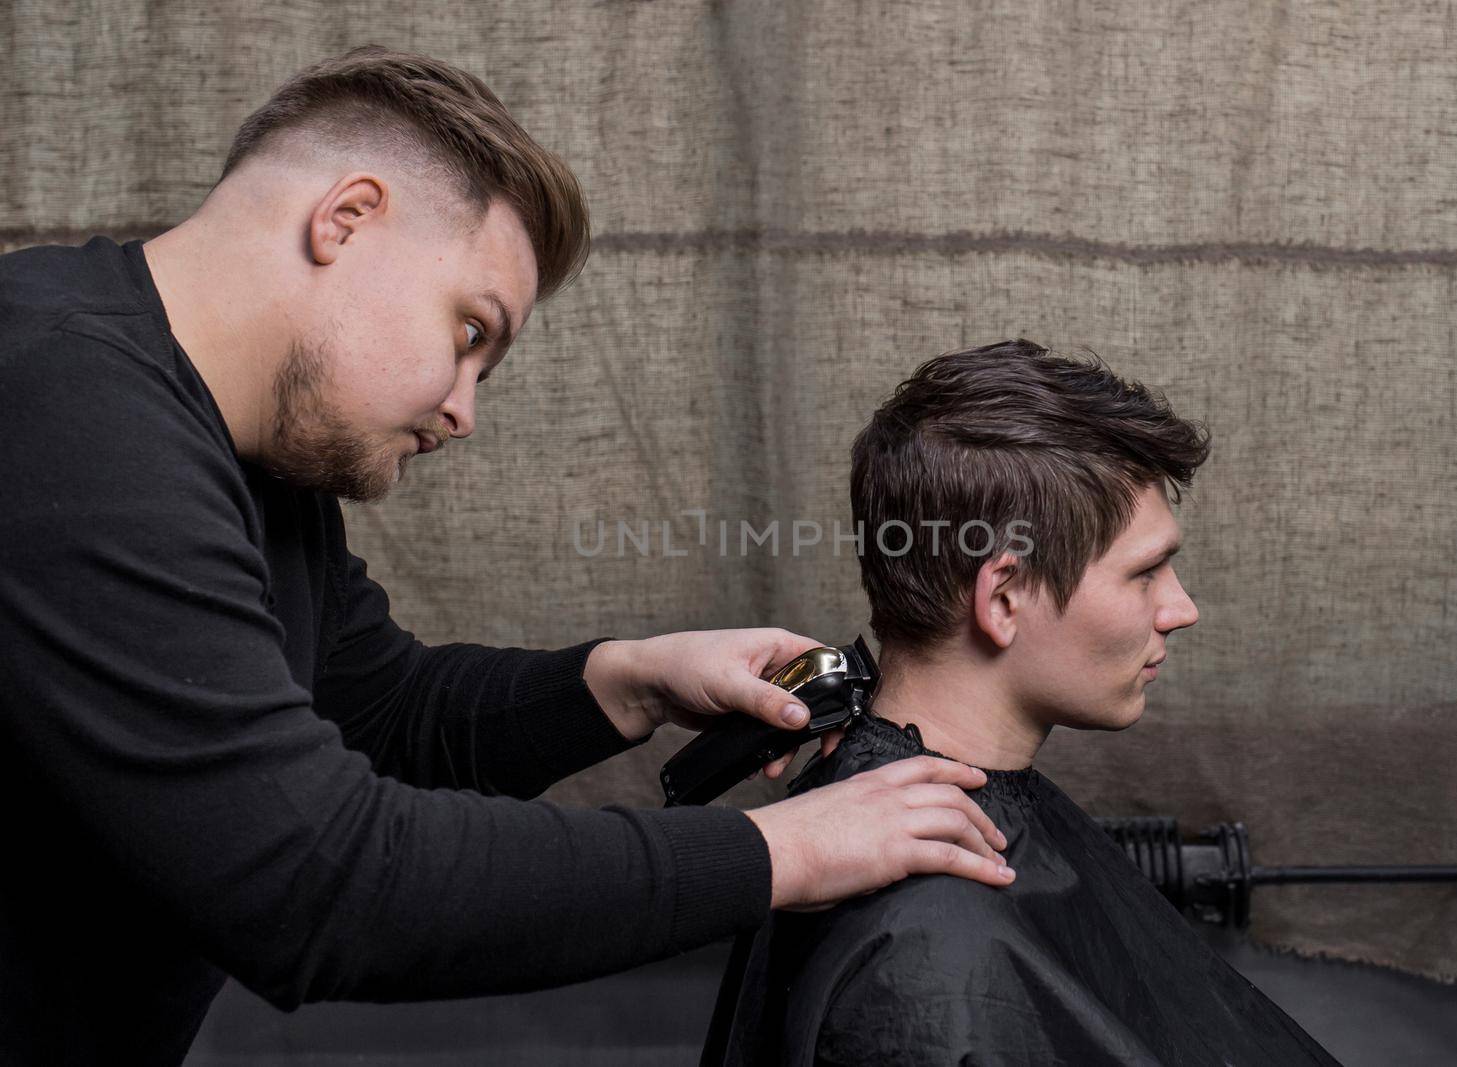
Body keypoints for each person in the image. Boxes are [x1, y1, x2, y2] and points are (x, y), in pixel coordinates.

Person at [0, 47, 1015, 1065]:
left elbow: (379, 713)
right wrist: (784, 851)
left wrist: (628, 680)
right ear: (345, 218)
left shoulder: (252, 455)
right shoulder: (60, 401)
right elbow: (318, 878)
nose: (462, 410)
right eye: (469, 331)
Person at [706, 340, 1339, 1066]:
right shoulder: (929, 954)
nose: (1181, 608)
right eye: (1146, 573)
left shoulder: (866, 817)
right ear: (1004, 598)